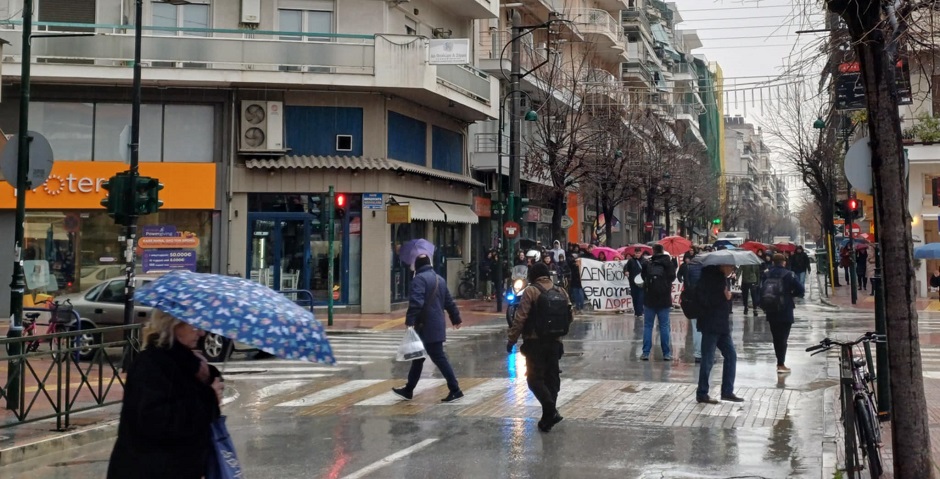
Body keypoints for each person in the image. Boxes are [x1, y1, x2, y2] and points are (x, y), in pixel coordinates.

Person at [108, 310, 223, 479]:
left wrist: (209, 376)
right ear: (173, 324)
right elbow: (156, 421)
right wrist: (208, 398)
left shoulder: (188, 362)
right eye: (194, 325)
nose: (201, 332)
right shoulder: (151, 364)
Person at [507, 262, 573, 433]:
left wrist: (512, 339)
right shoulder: (561, 291)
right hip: (555, 342)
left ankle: (550, 410)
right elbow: (570, 316)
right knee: (552, 380)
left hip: (535, 342)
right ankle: (547, 419)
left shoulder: (531, 291)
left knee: (534, 379)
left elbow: (520, 318)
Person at [393, 255, 464, 403]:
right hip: (435, 326)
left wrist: (410, 320)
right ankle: (408, 389)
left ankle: (455, 389)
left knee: (438, 357)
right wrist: (455, 318)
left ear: (418, 266)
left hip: (425, 327)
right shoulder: (440, 279)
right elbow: (449, 302)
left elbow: (416, 302)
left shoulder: (419, 280)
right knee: (418, 358)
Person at [695, 264, 745, 404]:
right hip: (710, 325)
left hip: (722, 326)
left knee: (731, 355)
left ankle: (727, 391)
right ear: (722, 266)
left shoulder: (722, 279)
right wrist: (723, 297)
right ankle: (702, 393)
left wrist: (725, 297)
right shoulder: (707, 280)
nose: (732, 270)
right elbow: (704, 301)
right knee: (708, 359)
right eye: (730, 267)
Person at [761, 253, 804, 374]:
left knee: (776, 338)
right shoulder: (789, 274)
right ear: (784, 262)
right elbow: (801, 290)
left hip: (771, 308)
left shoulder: (766, 274)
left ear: (773, 262)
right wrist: (790, 294)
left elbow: (761, 289)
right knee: (783, 338)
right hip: (785, 309)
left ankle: (779, 362)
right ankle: (781, 364)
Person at [640, 244, 676, 361]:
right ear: (663, 251)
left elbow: (643, 277)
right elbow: (672, 277)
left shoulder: (648, 263)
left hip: (649, 299)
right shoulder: (668, 263)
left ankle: (646, 352)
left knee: (648, 326)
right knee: (664, 326)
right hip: (664, 299)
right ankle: (666, 353)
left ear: (653, 251)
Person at [677, 252, 703, 363]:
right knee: (706, 329)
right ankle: (705, 352)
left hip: (692, 300)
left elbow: (685, 282)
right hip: (703, 300)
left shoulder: (687, 268)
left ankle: (698, 353)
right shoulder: (706, 269)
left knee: (696, 328)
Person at [624, 249, 645, 319]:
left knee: (640, 297)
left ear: (641, 253)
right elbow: (626, 267)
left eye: (639, 253)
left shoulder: (644, 261)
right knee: (635, 297)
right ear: (634, 253)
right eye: (636, 253)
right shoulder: (631, 261)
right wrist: (626, 271)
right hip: (633, 283)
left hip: (642, 283)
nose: (637, 254)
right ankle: (637, 311)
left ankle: (640, 312)